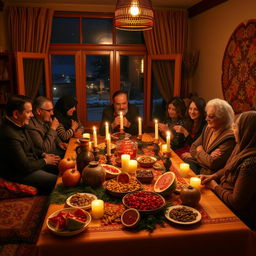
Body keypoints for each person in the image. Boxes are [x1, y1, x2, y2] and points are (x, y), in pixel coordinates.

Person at [200, 111, 256, 230]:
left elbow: (236, 202)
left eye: (236, 127)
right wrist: (213, 176)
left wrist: (215, 186)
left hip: (237, 215)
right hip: (223, 194)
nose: (233, 130)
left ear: (246, 131)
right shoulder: (241, 146)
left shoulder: (251, 163)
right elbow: (227, 169)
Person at [0, 95, 60, 195]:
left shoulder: (20, 123)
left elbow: (30, 148)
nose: (32, 115)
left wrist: (43, 155)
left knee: (61, 166)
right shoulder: (9, 134)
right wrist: (45, 161)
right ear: (15, 114)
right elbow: (25, 166)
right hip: (19, 173)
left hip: (32, 163)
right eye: (28, 112)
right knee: (57, 181)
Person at [184, 98, 236, 174]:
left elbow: (212, 163)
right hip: (197, 165)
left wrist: (201, 150)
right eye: (207, 115)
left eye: (211, 116)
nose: (206, 119)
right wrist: (207, 156)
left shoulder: (229, 138)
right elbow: (193, 148)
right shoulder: (208, 128)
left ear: (223, 118)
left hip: (209, 175)